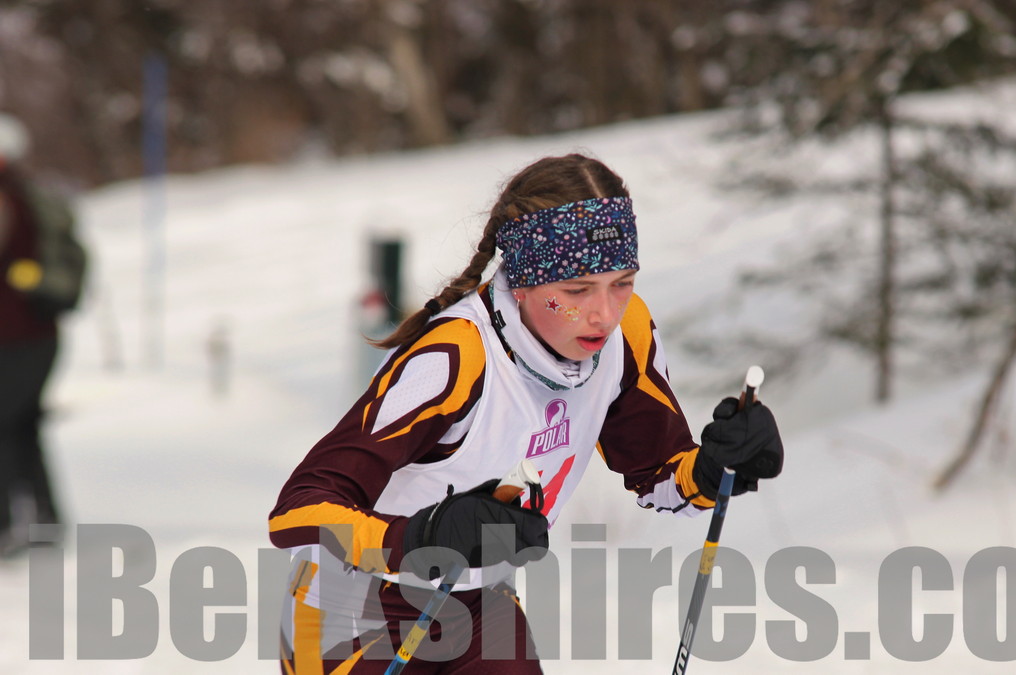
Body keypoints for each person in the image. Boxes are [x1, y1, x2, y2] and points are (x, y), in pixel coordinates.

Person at [268, 153, 784, 673]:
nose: (605, 313)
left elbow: (661, 475)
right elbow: (298, 512)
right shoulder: (456, 358)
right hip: (352, 611)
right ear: (523, 282)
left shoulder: (625, 337)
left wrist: (717, 467)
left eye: (622, 282)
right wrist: (421, 537)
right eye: (577, 290)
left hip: (477, 604)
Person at [0, 114, 72, 557]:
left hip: (15, 337)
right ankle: (45, 522)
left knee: (8, 426)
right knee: (23, 425)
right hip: (38, 335)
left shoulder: (13, 198)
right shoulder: (31, 195)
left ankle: (8, 526)